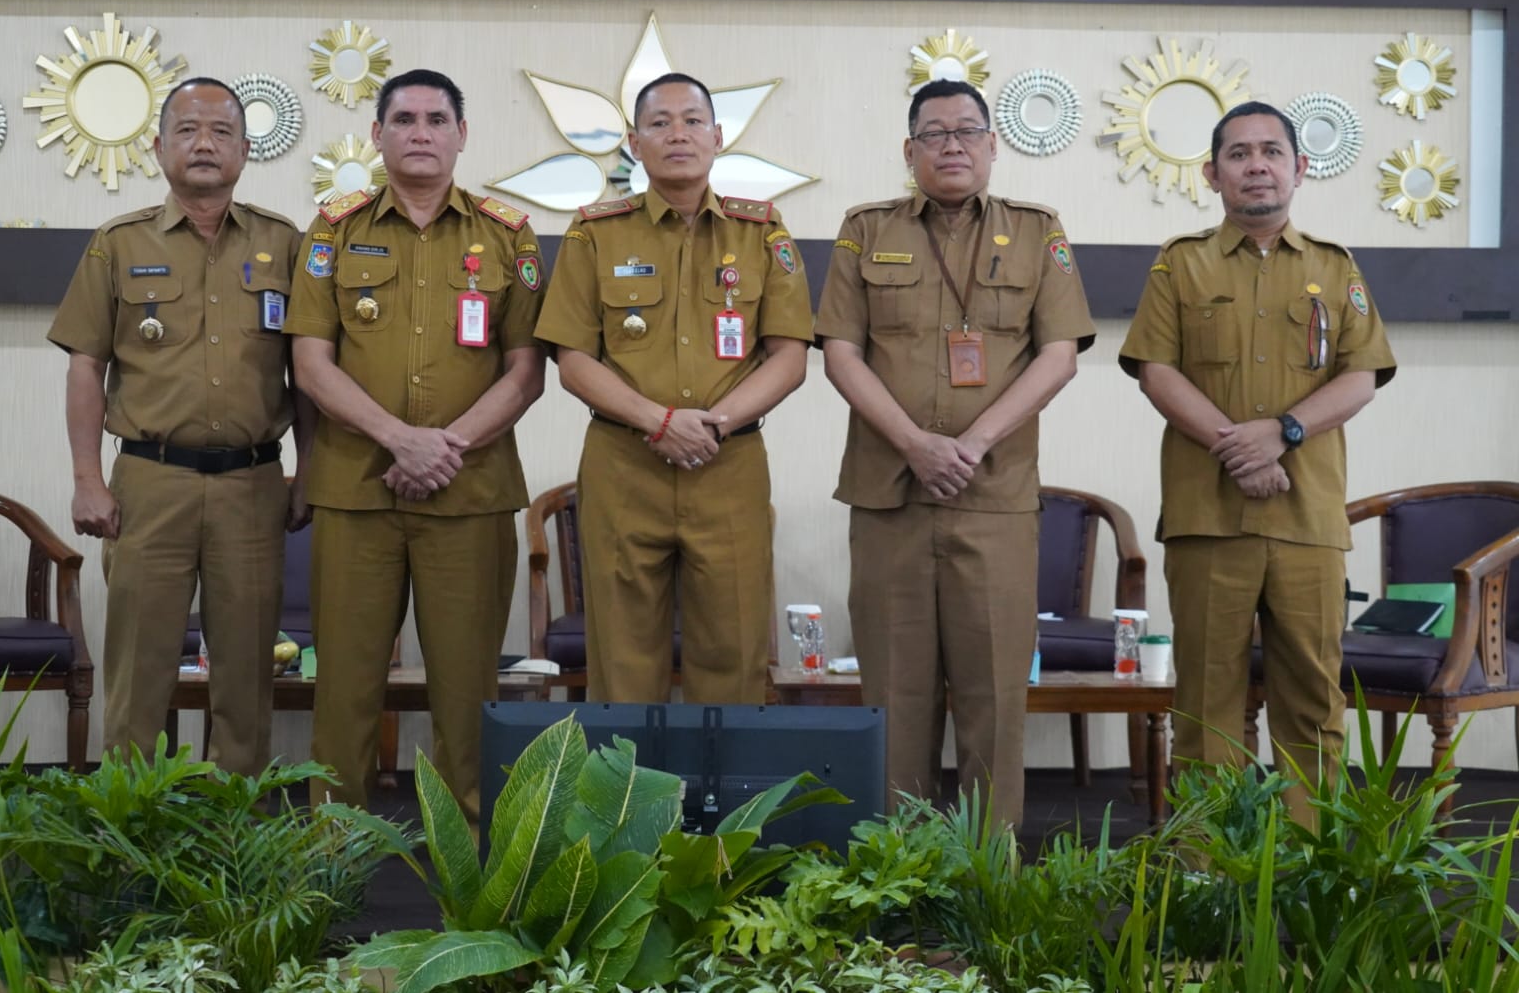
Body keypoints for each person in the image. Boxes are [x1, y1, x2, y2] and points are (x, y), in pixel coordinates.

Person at [816, 79, 1094, 824]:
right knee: (894, 697)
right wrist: (915, 444)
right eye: (934, 134)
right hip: (889, 495)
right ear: (909, 151)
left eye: (968, 131)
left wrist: (969, 444)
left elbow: (1059, 355)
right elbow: (841, 353)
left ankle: (985, 888)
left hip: (995, 495)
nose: (952, 146)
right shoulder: (864, 229)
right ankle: (894, 882)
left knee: (994, 700)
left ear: (994, 146)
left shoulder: (1039, 232)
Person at [1118, 100, 1396, 824]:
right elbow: (1156, 371)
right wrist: (1236, 448)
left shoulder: (1334, 269)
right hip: (1208, 518)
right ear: (1212, 174)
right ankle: (1212, 880)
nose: (1257, 165)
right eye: (1238, 154)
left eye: (1272, 151)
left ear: (1301, 168)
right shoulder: (1181, 263)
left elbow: (1361, 376)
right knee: (1208, 703)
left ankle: (1310, 876)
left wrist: (1284, 431)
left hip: (1307, 519)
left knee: (1312, 700)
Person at [284, 69, 545, 817]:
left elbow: (526, 372)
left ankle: (473, 863)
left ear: (462, 135)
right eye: (404, 119)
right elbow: (309, 362)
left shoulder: (508, 235)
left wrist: (443, 447)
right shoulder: (334, 228)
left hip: (470, 495)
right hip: (355, 491)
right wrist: (400, 440)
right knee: (344, 687)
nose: (421, 132)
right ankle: (333, 857)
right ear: (377, 135)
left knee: (468, 689)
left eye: (437, 119)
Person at [48, 76, 312, 775]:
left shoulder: (285, 245)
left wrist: (308, 471)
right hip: (148, 483)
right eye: (188, 130)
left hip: (254, 485)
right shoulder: (118, 243)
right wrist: (86, 481)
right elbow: (85, 366)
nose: (204, 144)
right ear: (159, 146)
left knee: (247, 674)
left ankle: (234, 843)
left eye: (222, 132)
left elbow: (309, 373)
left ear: (246, 150)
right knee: (140, 670)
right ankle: (130, 841)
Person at [535, 72, 813, 704]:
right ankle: (627, 805)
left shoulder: (762, 232)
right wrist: (659, 422)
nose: (678, 134)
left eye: (692, 121)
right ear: (634, 142)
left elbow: (789, 358)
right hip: (624, 465)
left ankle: (726, 806)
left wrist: (711, 424)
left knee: (733, 655)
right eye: (660, 123)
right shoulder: (594, 232)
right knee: (623, 662)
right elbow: (573, 359)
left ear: (718, 137)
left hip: (729, 464)